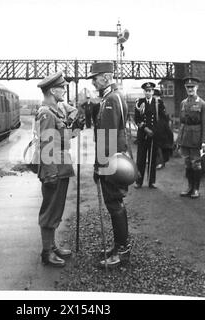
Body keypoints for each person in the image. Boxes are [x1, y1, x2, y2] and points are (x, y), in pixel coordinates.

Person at [87, 62, 131, 267]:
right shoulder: (111, 96)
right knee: (115, 204)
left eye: (95, 77)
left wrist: (100, 165)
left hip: (111, 160)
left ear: (105, 77)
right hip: (113, 159)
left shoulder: (112, 98)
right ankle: (120, 245)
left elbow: (109, 136)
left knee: (114, 204)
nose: (93, 81)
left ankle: (122, 251)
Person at [35, 71, 79, 267]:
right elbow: (46, 145)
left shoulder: (56, 110)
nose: (65, 90)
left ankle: (52, 246)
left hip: (61, 165)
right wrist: (50, 173)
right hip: (53, 168)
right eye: (62, 87)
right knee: (50, 210)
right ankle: (46, 252)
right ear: (53, 90)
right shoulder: (46, 113)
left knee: (57, 209)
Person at [177, 77, 205, 198]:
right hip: (185, 137)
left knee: (196, 164)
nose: (190, 89)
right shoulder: (183, 103)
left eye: (192, 87)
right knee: (187, 164)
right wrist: (179, 139)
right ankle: (189, 187)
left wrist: (204, 141)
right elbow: (182, 123)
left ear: (197, 88)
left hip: (196, 138)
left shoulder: (203, 104)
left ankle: (196, 189)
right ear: (186, 88)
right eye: (188, 87)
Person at [134, 82, 167, 188]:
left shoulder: (158, 103)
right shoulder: (139, 102)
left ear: (153, 91)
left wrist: (155, 131)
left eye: (150, 91)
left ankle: (151, 182)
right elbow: (137, 119)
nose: (148, 93)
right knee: (141, 159)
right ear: (144, 92)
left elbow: (162, 119)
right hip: (143, 134)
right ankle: (139, 181)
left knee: (152, 159)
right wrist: (145, 128)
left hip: (154, 135)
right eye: (146, 91)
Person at [153, 89, 174, 169]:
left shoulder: (159, 103)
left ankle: (160, 162)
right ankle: (158, 161)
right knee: (159, 145)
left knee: (158, 145)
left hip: (160, 127)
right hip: (161, 127)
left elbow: (162, 116)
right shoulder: (159, 103)